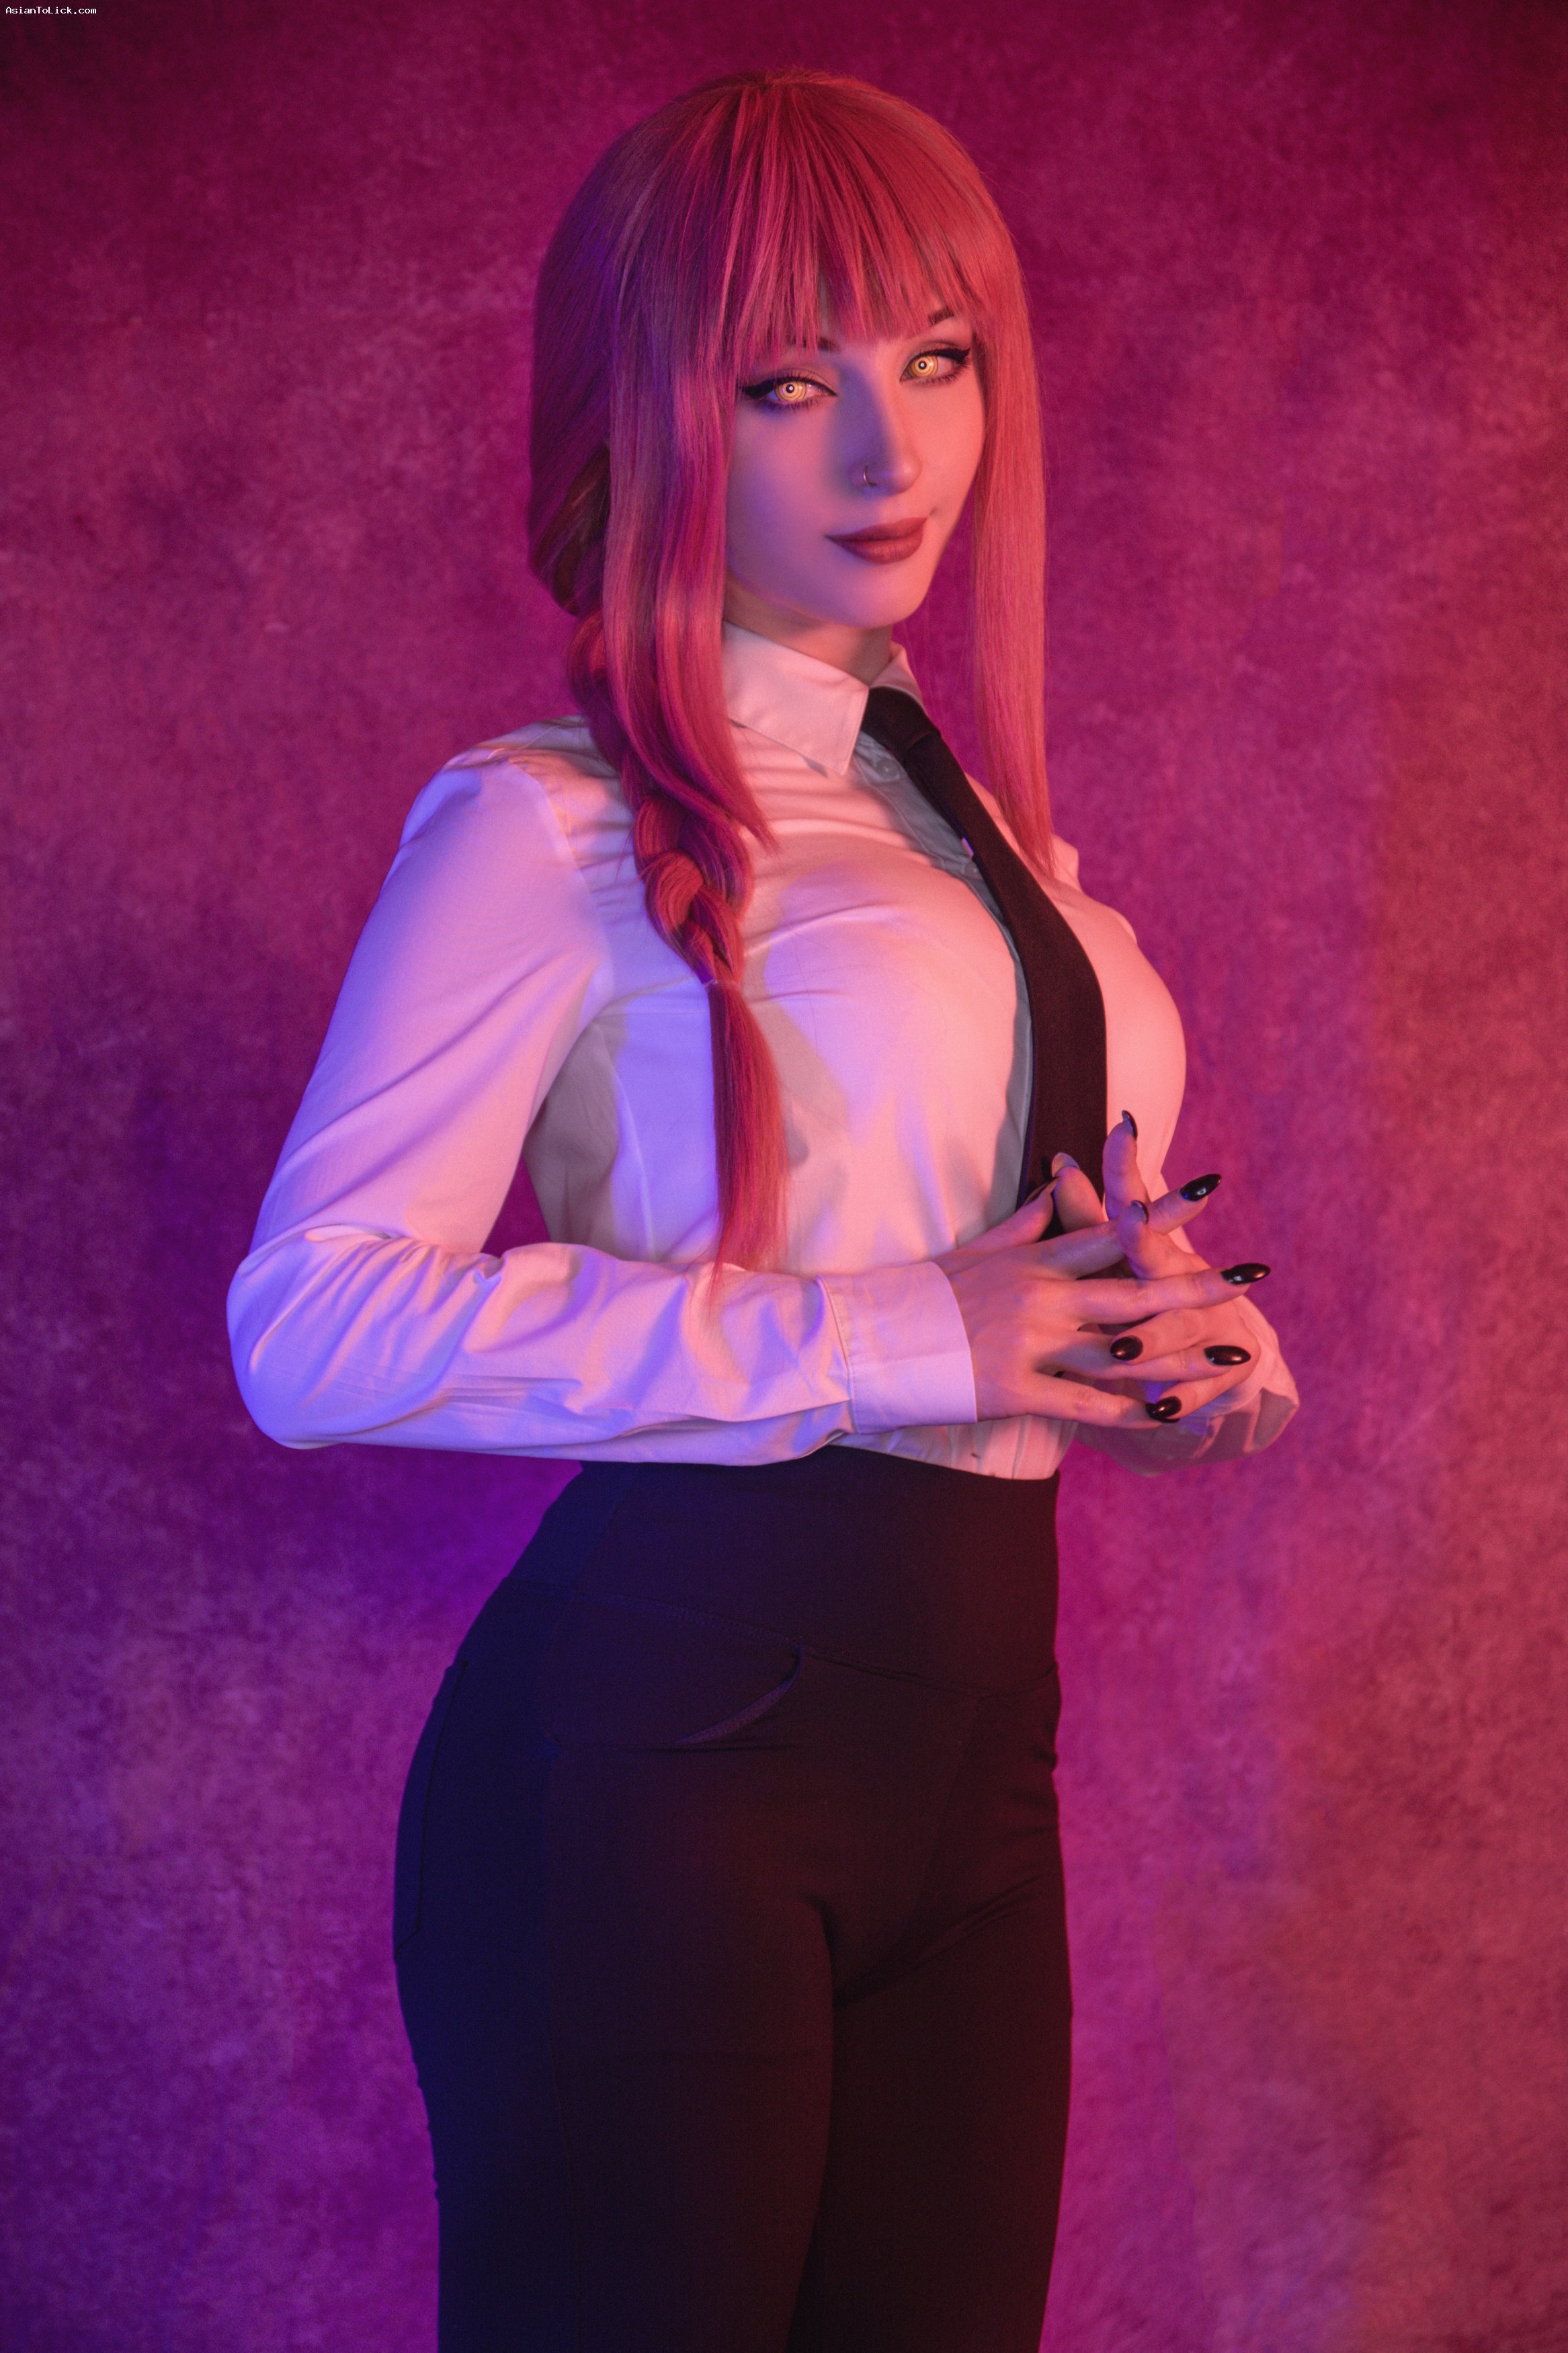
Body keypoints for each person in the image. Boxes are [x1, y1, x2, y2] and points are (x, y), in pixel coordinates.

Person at [229, 68, 1296, 2353]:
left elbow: (1000, 1280)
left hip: (975, 1761)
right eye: (789, 384)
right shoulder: (544, 823)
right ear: (656, 414)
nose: (891, 449)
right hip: (660, 1750)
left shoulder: (1000, 849)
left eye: (940, 358)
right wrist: (907, 1330)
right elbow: (306, 1324)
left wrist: (1172, 1346)